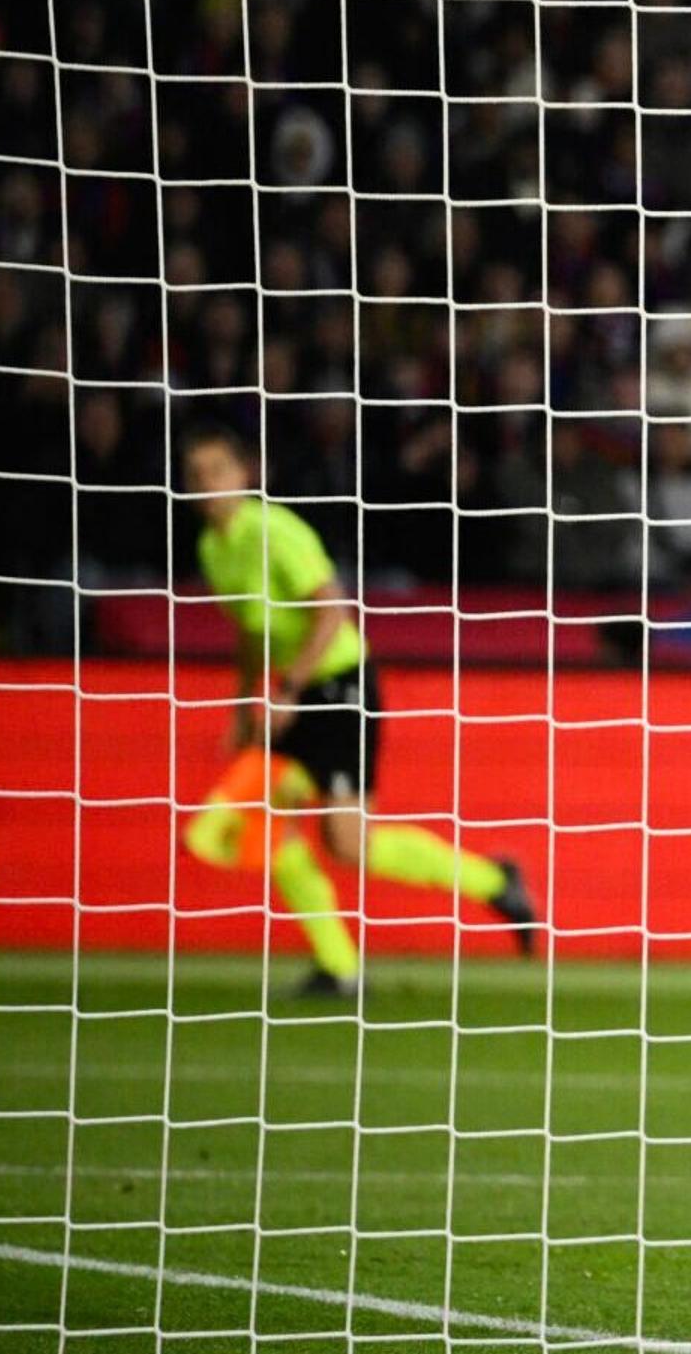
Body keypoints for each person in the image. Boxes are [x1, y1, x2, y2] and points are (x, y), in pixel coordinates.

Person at [173, 427, 536, 998]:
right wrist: (244, 702)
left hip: (340, 685)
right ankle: (340, 966)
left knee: (345, 842)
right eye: (195, 476)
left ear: (245, 475)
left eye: (217, 471)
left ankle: (493, 881)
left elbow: (332, 610)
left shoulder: (273, 532)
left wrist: (288, 688)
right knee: (263, 821)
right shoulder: (213, 550)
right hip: (296, 694)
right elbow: (251, 630)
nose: (206, 485)